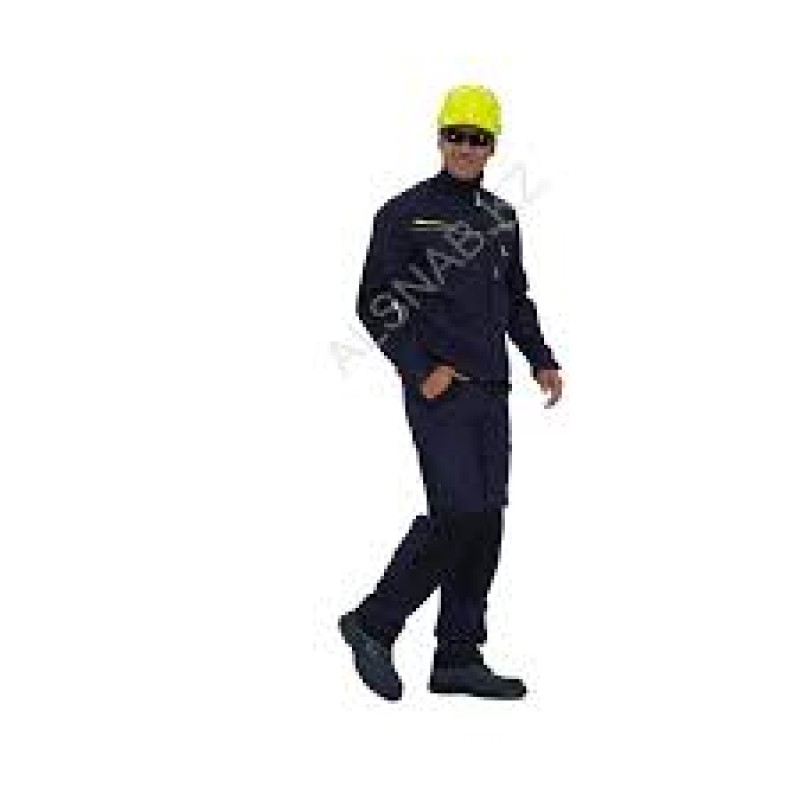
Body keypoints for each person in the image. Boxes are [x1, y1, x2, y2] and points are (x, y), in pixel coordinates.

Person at [339, 84, 564, 701]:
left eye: (478, 139)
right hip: (441, 394)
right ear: (440, 140)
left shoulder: (502, 217)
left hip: (492, 391)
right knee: (458, 512)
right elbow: (375, 302)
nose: (466, 148)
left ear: (493, 147)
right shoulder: (403, 214)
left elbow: (516, 298)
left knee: (485, 522)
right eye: (456, 136)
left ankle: (458, 657)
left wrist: (541, 358)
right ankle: (373, 623)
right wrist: (419, 369)